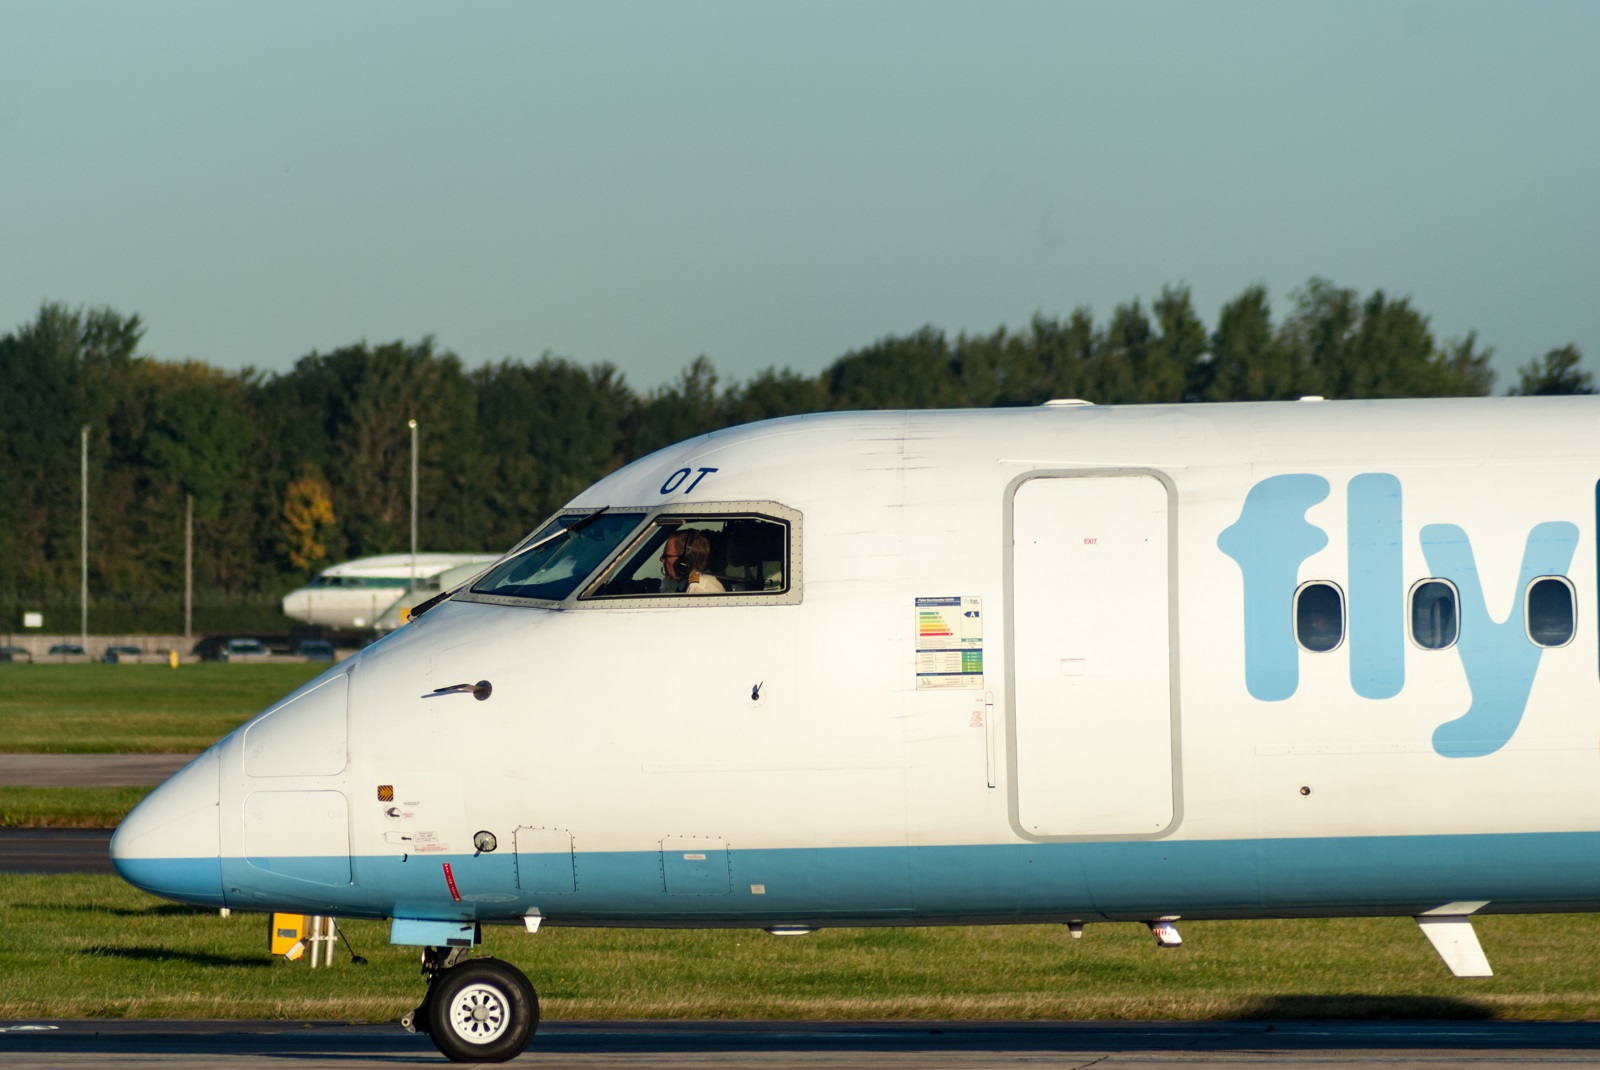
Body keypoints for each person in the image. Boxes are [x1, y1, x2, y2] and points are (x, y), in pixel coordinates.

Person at [660, 529, 725, 594]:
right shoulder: (687, 584)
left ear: (684, 561)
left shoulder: (699, 588)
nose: (662, 560)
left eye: (666, 556)